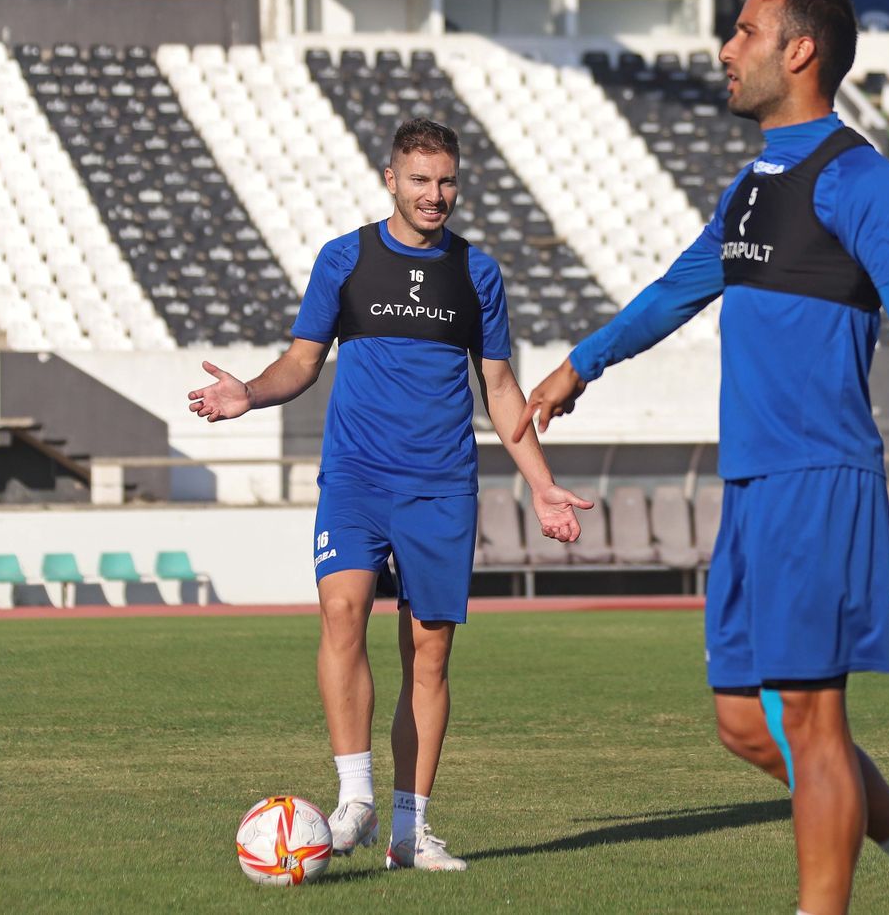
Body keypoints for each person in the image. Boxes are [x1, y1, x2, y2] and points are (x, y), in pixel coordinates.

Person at [517, 0, 889, 915]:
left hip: (819, 479)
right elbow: (675, 291)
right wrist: (580, 365)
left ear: (799, 51)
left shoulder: (864, 184)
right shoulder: (751, 186)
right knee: (744, 724)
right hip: (752, 485)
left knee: (811, 721)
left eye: (744, 32)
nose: (725, 49)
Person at [190, 118, 592, 873]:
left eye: (446, 181)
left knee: (428, 655)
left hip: (441, 487)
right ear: (391, 181)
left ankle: (410, 832)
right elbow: (302, 362)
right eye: (419, 180)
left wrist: (542, 486)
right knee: (342, 612)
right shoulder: (343, 259)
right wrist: (250, 392)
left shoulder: (478, 273)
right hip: (355, 477)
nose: (434, 194)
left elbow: (499, 386)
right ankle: (356, 799)